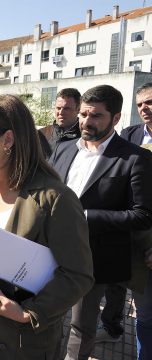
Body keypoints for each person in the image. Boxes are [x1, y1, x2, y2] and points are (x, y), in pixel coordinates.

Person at [0, 93, 93, 359]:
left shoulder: (55, 199)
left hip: (14, 337)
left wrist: (31, 312)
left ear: (7, 139)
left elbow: (79, 275)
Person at [49, 85, 152, 360]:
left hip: (93, 258)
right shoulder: (63, 147)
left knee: (81, 326)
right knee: (47, 315)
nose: (86, 122)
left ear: (116, 118)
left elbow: (142, 215)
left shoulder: (136, 159)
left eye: (95, 116)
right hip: (49, 251)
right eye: (83, 114)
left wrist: (85, 216)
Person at [95, 82, 152, 360]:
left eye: (150, 102)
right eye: (140, 104)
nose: (145, 109)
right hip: (128, 235)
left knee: (148, 311)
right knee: (134, 301)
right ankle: (113, 326)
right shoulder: (129, 136)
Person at [38, 88, 81, 158]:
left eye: (66, 108)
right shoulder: (42, 134)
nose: (61, 112)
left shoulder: (85, 138)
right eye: (58, 108)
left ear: (78, 110)